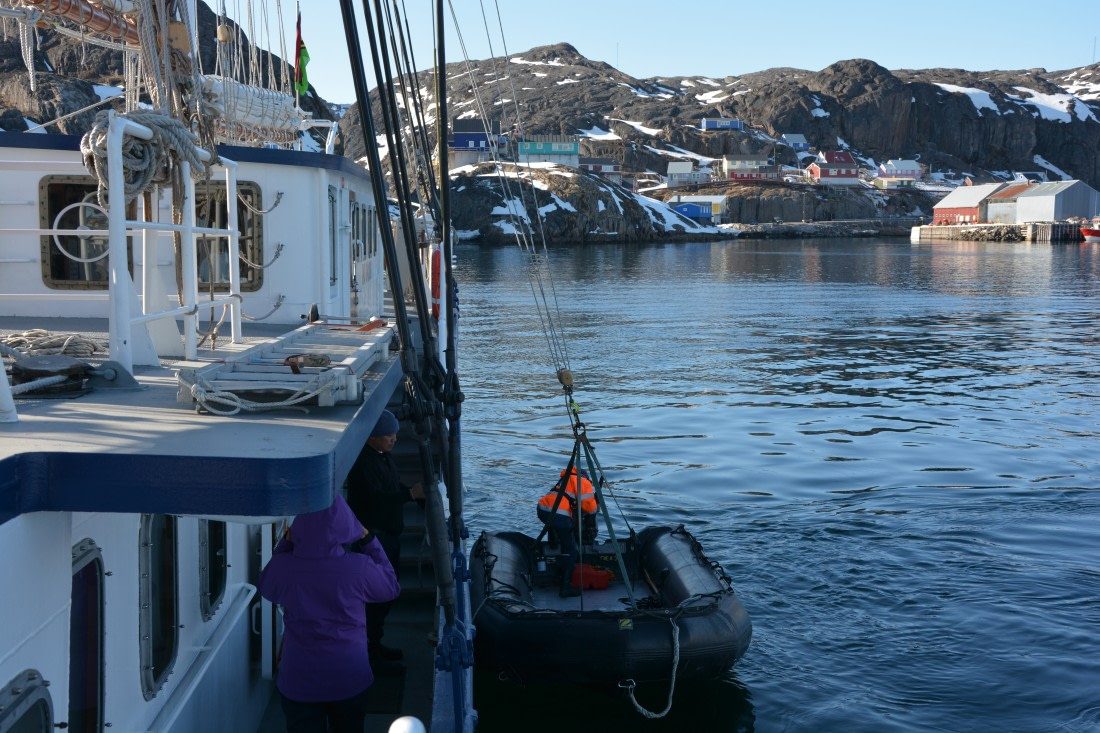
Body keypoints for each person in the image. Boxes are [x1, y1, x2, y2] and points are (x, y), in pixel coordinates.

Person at [258, 494, 399, 733]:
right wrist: (369, 540)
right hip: (349, 677)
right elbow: (391, 587)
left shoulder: (285, 568)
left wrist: (287, 543)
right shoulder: (358, 568)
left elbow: (266, 586)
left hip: (299, 680)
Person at [346, 409, 425, 667]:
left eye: (394, 433)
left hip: (388, 539)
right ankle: (369, 649)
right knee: (376, 597)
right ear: (372, 437)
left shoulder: (383, 457)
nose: (394, 438)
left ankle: (373, 644)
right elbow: (376, 500)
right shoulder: (363, 464)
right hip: (374, 542)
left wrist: (414, 494)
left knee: (387, 594)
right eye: (388, 434)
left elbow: (391, 487)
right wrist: (410, 495)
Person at [537, 467, 598, 598]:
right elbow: (589, 507)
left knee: (559, 528)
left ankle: (553, 541)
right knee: (570, 549)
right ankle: (566, 587)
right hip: (559, 514)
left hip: (542, 509)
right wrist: (595, 505)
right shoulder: (583, 482)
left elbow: (567, 499)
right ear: (586, 477)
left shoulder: (566, 479)